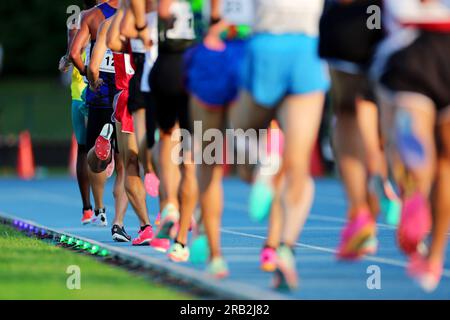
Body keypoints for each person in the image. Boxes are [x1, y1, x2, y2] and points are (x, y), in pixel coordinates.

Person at [230, 0, 329, 290]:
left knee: (240, 132)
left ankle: (264, 161)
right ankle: (285, 249)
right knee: (298, 167)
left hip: (267, 45)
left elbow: (230, 14)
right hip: (307, 49)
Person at [372, 0, 450, 292]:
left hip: (409, 45)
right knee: (445, 162)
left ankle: (414, 189)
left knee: (406, 133)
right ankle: (435, 256)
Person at [318, 0, 401, 260]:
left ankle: (359, 212)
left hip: (351, 16)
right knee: (388, 107)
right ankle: (397, 186)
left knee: (347, 111)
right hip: (396, 18)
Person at [70, 0, 129, 237]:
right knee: (124, 162)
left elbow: (74, 53)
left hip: (99, 92)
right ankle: (119, 222)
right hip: (124, 92)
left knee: (94, 153)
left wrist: (87, 75)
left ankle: (99, 209)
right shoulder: (133, 15)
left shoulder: (91, 16)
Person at [147, 0, 199, 254]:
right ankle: (181, 241)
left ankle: (169, 205)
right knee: (190, 157)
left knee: (166, 138)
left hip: (168, 63)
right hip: (198, 64)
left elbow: (162, 12)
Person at [59, 0, 97, 225]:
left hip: (83, 88)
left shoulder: (76, 18)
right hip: (96, 88)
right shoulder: (115, 14)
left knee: (84, 149)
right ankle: (93, 209)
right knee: (91, 148)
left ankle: (88, 209)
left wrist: (67, 61)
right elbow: (72, 53)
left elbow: (71, 53)